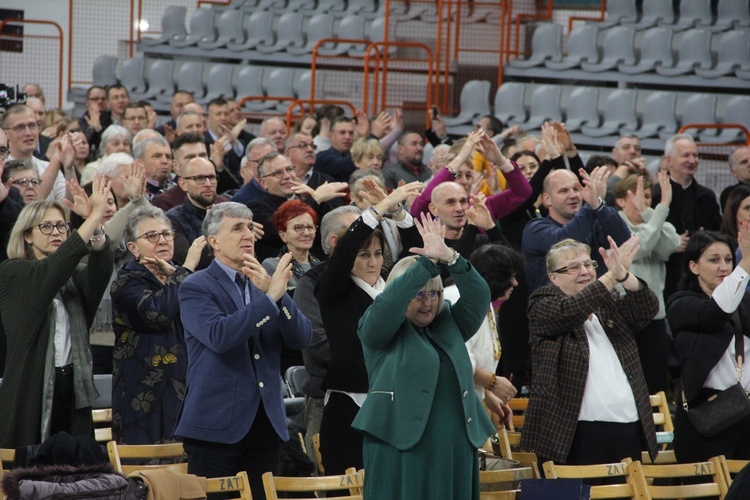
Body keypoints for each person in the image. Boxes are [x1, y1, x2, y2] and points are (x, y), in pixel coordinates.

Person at [353, 214, 494, 500]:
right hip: (401, 447)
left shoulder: (449, 323)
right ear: (401, 292)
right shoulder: (380, 327)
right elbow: (390, 302)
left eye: (435, 293)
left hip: (455, 447)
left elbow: (480, 296)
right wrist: (426, 265)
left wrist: (450, 257)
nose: (429, 301)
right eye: (419, 293)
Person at [176, 202, 311, 500]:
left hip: (265, 423)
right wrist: (271, 298)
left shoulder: (263, 283)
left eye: (250, 227)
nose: (247, 234)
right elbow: (221, 336)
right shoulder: (196, 287)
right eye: (237, 228)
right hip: (215, 427)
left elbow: (302, 337)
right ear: (214, 242)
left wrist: (276, 296)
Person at [521, 237, 659, 466]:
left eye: (588, 264)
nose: (584, 271)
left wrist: (624, 276)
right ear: (553, 278)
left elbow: (647, 309)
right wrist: (611, 276)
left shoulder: (608, 303)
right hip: (573, 432)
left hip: (627, 425)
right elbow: (570, 311)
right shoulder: (542, 303)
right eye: (573, 267)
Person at [315, 181, 422, 475]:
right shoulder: (333, 288)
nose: (373, 261)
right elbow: (346, 247)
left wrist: (399, 213)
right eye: (364, 255)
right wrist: (379, 209)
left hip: (396, 404)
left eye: (377, 254)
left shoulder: (392, 286)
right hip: (349, 408)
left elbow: (420, 253)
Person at [0, 177, 115, 447]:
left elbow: (99, 273)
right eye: (46, 226)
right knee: (31, 472)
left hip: (72, 385)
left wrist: (95, 225)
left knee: (72, 469)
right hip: (32, 388)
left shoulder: (72, 275)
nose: (56, 232)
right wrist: (94, 215)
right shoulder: (13, 272)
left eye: (62, 225)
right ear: (27, 235)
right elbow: (51, 272)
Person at [111, 206, 206, 444]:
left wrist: (178, 272)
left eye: (166, 233)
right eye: (151, 236)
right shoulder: (127, 281)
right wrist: (186, 269)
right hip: (144, 395)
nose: (162, 240)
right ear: (132, 248)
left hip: (188, 388)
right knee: (149, 473)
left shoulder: (178, 275)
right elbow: (158, 313)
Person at [667, 229, 750, 463]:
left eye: (728, 260)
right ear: (694, 267)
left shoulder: (744, 302)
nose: (723, 267)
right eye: (714, 260)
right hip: (707, 418)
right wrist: (747, 263)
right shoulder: (682, 304)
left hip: (746, 414)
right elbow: (716, 312)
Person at [613, 172, 681, 394]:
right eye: (636, 196)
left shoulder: (656, 222)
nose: (644, 201)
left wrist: (649, 212)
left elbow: (671, 244)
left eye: (648, 196)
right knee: (624, 385)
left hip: (655, 318)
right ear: (620, 201)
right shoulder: (613, 224)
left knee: (655, 384)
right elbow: (641, 246)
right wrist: (658, 211)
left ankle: (656, 430)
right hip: (624, 317)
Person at [443, 243, 523, 423]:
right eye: (511, 277)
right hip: (449, 405)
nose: (516, 283)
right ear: (497, 277)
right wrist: (492, 383)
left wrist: (487, 395)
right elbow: (457, 356)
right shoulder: (457, 298)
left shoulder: (481, 301)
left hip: (465, 401)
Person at [262, 199, 321, 294]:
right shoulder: (273, 266)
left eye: (310, 227)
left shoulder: (321, 265)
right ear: (283, 235)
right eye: (298, 228)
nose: (306, 233)